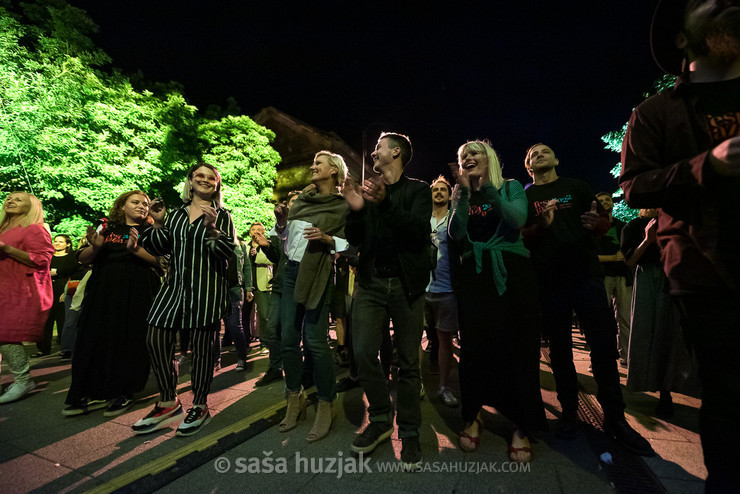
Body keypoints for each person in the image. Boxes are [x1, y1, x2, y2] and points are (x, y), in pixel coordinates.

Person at [619, 1, 740, 489]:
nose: (726, 4)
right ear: (682, 38)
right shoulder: (656, 113)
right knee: (729, 391)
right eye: (706, 2)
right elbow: (634, 186)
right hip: (706, 270)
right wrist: (705, 165)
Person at [521, 143, 653, 456]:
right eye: (531, 154)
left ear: (556, 159)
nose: (538, 154)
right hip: (549, 280)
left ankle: (615, 418)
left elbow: (601, 220)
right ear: (528, 167)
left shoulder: (576, 187)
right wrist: (541, 225)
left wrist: (599, 225)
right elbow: (522, 234)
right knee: (560, 350)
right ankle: (569, 413)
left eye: (544, 151)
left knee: (603, 347)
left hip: (586, 277)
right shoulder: (526, 196)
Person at [449, 141, 546, 462]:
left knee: (518, 346)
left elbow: (517, 219)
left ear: (489, 158)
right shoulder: (460, 192)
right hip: (475, 276)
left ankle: (521, 423)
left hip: (512, 274)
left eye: (474, 154)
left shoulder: (512, 187)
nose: (468, 158)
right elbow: (456, 232)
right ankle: (474, 413)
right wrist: (462, 195)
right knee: (475, 346)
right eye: (464, 156)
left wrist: (487, 188)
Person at [344, 132, 432, 469]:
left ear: (395, 153)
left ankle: (409, 431)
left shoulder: (418, 190)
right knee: (364, 351)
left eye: (379, 147)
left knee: (408, 362)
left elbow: (416, 232)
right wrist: (354, 208)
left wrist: (386, 203)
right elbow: (355, 238)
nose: (372, 151)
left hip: (407, 285)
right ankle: (381, 417)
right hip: (371, 283)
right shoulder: (370, 193)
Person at [133, 163, 235, 437]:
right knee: (155, 337)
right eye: (198, 176)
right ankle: (169, 400)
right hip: (174, 287)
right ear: (189, 182)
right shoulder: (175, 214)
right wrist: (158, 222)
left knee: (203, 350)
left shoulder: (222, 215)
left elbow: (225, 253)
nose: (204, 180)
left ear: (216, 185)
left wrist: (212, 227)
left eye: (210, 177)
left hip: (206, 290)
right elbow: (157, 247)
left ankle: (200, 405)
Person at [63, 191, 161, 417]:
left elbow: (161, 262)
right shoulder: (106, 229)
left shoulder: (150, 231)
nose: (141, 206)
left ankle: (123, 391)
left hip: (138, 288)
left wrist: (135, 250)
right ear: (122, 206)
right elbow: (84, 258)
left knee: (130, 338)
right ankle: (93, 390)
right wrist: (96, 247)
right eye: (135, 202)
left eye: (145, 204)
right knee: (94, 336)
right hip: (103, 288)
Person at [279, 151, 349, 443]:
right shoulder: (302, 200)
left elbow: (351, 245)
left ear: (334, 171)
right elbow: (287, 238)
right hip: (290, 272)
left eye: (318, 163)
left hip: (318, 273)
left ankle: (325, 403)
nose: (312, 167)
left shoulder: (342, 206)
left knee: (315, 341)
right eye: (313, 163)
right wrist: (282, 221)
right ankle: (294, 397)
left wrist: (328, 239)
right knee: (286, 339)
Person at [620, 209, 700, 418]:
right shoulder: (633, 226)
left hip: (673, 277)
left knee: (672, 334)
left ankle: (670, 389)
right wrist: (647, 240)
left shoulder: (675, 221)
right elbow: (629, 261)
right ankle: (653, 386)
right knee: (647, 330)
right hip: (648, 278)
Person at [0, 192, 54, 403]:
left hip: (19, 290)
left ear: (31, 207)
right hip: (4, 288)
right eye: (9, 198)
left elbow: (41, 260)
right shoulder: (3, 228)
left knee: (5, 334)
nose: (10, 200)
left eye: (18, 199)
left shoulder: (34, 229)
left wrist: (6, 248)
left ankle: (22, 380)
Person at [255, 190, 301, 387]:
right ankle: (275, 367)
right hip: (280, 285)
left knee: (291, 332)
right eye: (291, 201)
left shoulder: (305, 227)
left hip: (298, 287)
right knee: (273, 328)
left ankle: (296, 370)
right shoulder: (278, 228)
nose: (294, 205)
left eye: (299, 202)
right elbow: (277, 258)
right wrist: (266, 246)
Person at [426, 175, 459, 408]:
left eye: (442, 190)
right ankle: (416, 384)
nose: (438, 192)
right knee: (414, 339)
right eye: (435, 189)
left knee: (444, 340)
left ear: (449, 195)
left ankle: (445, 387)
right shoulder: (422, 218)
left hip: (447, 288)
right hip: (421, 287)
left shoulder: (453, 220)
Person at [595, 192, 633, 366]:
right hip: (603, 276)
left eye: (607, 199)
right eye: (600, 201)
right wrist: (611, 258)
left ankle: (625, 355)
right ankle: (599, 357)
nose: (605, 202)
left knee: (625, 318)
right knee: (600, 318)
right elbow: (590, 256)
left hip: (622, 275)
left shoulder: (623, 226)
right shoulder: (594, 228)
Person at [34, 234, 77, 357]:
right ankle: (43, 349)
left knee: (62, 319)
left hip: (62, 289)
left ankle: (65, 348)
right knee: (46, 320)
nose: (57, 244)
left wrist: (65, 291)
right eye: (56, 241)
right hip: (47, 289)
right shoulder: (48, 257)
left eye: (61, 242)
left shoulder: (71, 257)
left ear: (68, 244)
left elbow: (72, 273)